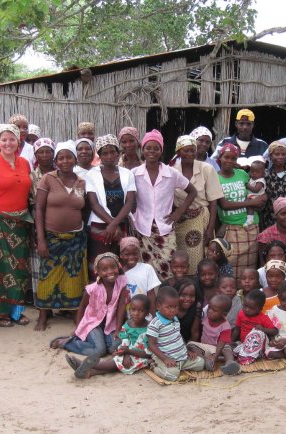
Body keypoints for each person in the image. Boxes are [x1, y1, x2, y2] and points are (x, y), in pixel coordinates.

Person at [0, 124, 33, 327]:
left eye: (12, 139)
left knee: (20, 268)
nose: (8, 143)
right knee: (0, 268)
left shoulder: (25, 163)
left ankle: (17, 311)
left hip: (21, 223)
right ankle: (1, 313)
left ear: (18, 142)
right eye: (4, 139)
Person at [34, 141, 89, 331]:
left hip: (76, 239)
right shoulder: (48, 179)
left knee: (74, 278)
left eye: (69, 157)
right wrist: (41, 239)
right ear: (56, 161)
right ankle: (43, 315)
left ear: (75, 159)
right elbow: (39, 209)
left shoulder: (81, 182)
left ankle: (74, 312)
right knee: (47, 277)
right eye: (61, 158)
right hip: (52, 238)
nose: (65, 161)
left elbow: (84, 208)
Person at [132, 129, 197, 280]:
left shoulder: (171, 173)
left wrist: (178, 212)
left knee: (168, 266)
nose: (152, 151)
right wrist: (132, 215)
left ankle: (168, 294)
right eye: (148, 148)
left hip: (165, 228)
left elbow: (192, 191)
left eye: (156, 148)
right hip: (142, 229)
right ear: (142, 150)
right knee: (146, 269)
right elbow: (128, 198)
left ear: (161, 151)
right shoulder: (134, 173)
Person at [50, 253, 126, 357]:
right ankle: (67, 343)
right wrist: (78, 329)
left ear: (118, 267)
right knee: (100, 351)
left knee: (116, 346)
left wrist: (118, 329)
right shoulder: (92, 289)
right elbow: (82, 307)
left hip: (110, 325)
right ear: (98, 272)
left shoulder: (121, 282)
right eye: (105, 269)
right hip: (92, 324)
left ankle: (97, 342)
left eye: (113, 267)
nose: (110, 271)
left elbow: (122, 306)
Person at [65, 294, 152, 379]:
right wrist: (125, 354)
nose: (136, 313)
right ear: (129, 310)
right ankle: (90, 373)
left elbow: (148, 352)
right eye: (133, 309)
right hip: (128, 352)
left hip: (142, 356)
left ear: (147, 313)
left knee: (115, 363)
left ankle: (87, 364)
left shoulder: (149, 328)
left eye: (141, 311)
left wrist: (128, 352)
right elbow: (125, 342)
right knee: (116, 360)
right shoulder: (128, 324)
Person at [87, 134, 136, 276]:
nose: (109, 156)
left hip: (121, 224)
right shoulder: (92, 174)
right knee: (99, 264)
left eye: (112, 152)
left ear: (118, 153)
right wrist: (113, 225)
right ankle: (99, 289)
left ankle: (121, 290)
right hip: (99, 225)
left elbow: (129, 202)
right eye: (105, 153)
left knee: (121, 263)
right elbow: (94, 204)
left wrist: (114, 224)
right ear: (100, 155)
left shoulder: (127, 174)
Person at [173, 135, 223, 272]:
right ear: (178, 152)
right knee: (180, 257)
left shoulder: (207, 169)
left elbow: (213, 202)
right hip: (180, 221)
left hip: (201, 218)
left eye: (192, 150)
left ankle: (195, 283)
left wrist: (210, 228)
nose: (190, 154)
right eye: (186, 150)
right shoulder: (172, 170)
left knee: (198, 258)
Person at [216, 143, 265, 281]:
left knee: (248, 271)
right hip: (231, 228)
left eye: (233, 158)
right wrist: (251, 203)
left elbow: (258, 192)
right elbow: (224, 205)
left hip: (250, 227)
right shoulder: (215, 177)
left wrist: (262, 198)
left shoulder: (242, 174)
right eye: (226, 157)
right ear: (220, 158)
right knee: (230, 269)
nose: (229, 161)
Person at [146, 286, 205, 382]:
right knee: (172, 375)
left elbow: (178, 336)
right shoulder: (155, 323)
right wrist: (165, 359)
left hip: (181, 357)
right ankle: (153, 365)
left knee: (201, 363)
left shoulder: (175, 319)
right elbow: (151, 345)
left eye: (175, 307)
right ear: (158, 306)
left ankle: (178, 367)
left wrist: (187, 351)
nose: (173, 310)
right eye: (169, 307)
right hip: (164, 357)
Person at [29, 138, 56, 306]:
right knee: (39, 264)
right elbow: (30, 203)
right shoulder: (31, 176)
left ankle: (59, 302)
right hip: (37, 223)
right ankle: (42, 304)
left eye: (48, 151)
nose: (45, 155)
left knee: (57, 264)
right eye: (41, 152)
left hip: (58, 223)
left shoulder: (62, 173)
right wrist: (35, 231)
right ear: (36, 155)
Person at [188, 294, 241, 375]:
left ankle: (229, 362)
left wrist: (215, 356)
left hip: (218, 349)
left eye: (214, 310)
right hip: (205, 348)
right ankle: (206, 361)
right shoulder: (205, 317)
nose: (210, 311)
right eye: (209, 307)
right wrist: (198, 314)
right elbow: (195, 329)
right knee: (190, 344)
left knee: (226, 347)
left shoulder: (225, 326)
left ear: (224, 314)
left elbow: (222, 342)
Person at [231, 289, 278, 365]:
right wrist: (231, 341)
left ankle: (247, 356)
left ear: (260, 309)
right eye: (245, 306)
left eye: (251, 308)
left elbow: (275, 331)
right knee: (228, 347)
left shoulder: (263, 318)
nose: (247, 309)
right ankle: (242, 353)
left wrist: (263, 329)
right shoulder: (241, 314)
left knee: (257, 332)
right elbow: (237, 329)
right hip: (244, 344)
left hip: (257, 345)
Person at [118, 236, 160, 318]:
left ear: (139, 253)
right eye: (127, 254)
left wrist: (153, 318)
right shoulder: (119, 274)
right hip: (128, 319)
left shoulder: (147, 269)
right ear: (121, 255)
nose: (131, 257)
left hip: (146, 318)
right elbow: (121, 302)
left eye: (135, 253)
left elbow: (151, 295)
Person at [257, 197, 286, 271]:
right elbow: (263, 262)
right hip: (274, 275)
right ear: (275, 215)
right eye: (283, 214)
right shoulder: (265, 236)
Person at [263, 140, 286, 228]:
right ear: (270, 156)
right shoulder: (265, 176)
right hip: (270, 220)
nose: (280, 157)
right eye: (277, 154)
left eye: (283, 154)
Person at [173, 278, 200, 342]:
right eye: (183, 295)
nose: (188, 299)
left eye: (192, 296)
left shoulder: (196, 310)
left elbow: (195, 332)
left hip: (187, 343)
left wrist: (191, 346)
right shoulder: (169, 309)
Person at [245, 159, 266, 227]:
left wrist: (247, 186)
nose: (254, 173)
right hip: (252, 196)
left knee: (249, 205)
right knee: (248, 204)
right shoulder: (252, 179)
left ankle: (250, 219)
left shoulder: (260, 181)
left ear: (262, 173)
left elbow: (256, 190)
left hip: (257, 197)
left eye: (257, 172)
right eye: (252, 171)